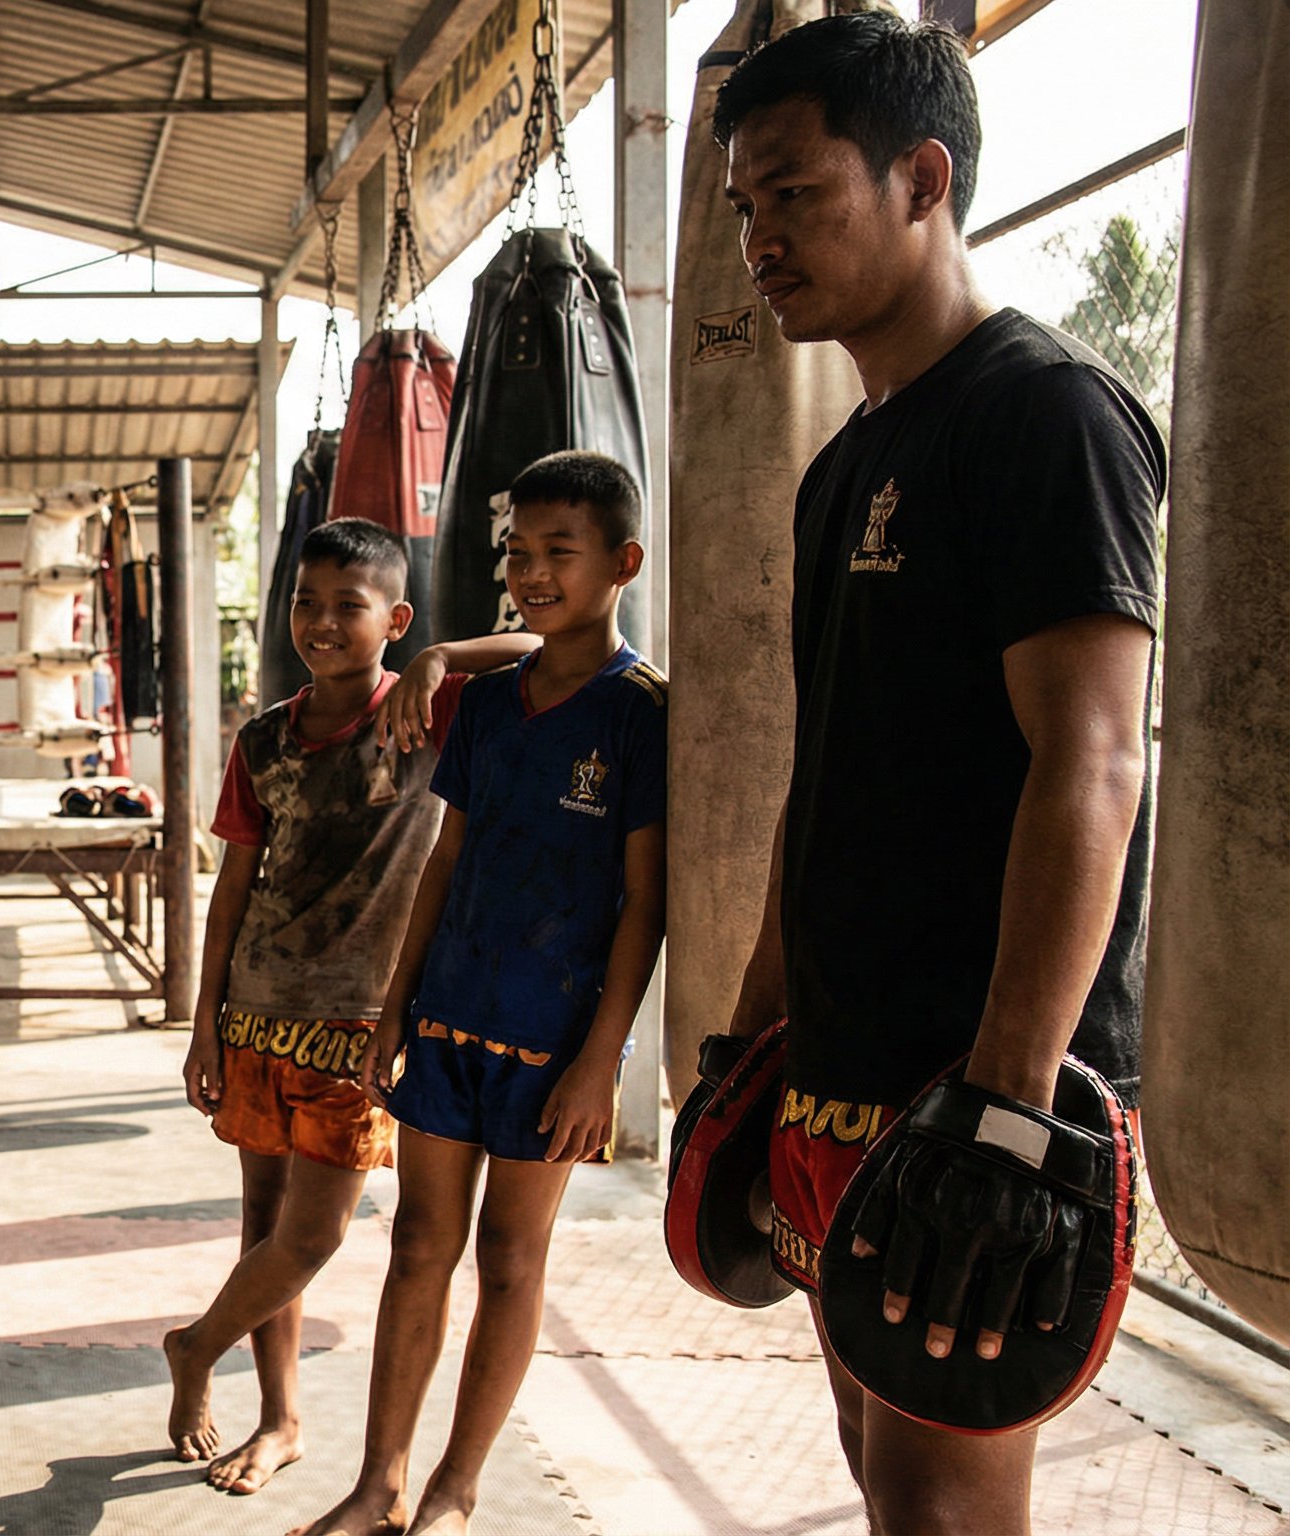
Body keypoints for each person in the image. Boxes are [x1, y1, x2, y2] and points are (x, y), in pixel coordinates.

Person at [708, 14, 1162, 1532]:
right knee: (876, 1459)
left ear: (922, 177)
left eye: (794, 192)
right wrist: (754, 1027)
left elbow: (1091, 762)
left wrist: (1006, 1112)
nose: (761, 241)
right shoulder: (842, 466)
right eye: (745, 207)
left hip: (979, 1083)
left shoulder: (1047, 413)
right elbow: (825, 770)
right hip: (847, 1069)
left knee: (939, 1500)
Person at [297, 451, 667, 1536]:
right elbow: (443, 860)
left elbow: (645, 903)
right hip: (449, 1015)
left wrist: (601, 1061)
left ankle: (455, 1489)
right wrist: (395, 1008)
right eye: (518, 551)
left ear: (623, 563)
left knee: (510, 1257)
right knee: (418, 1243)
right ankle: (379, 1483)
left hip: (557, 1041)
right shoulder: (490, 707)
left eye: (561, 551)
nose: (532, 571)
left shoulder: (641, 713)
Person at [166, 519, 535, 1496]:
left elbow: (543, 644)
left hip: (359, 1024)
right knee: (264, 1225)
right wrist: (204, 1024)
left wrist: (442, 658)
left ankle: (195, 1346)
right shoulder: (263, 739)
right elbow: (232, 888)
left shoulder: (429, 712)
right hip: (255, 1011)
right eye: (306, 603)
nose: (322, 623)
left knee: (313, 1235)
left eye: (348, 606)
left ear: (395, 621)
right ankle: (278, 1419)